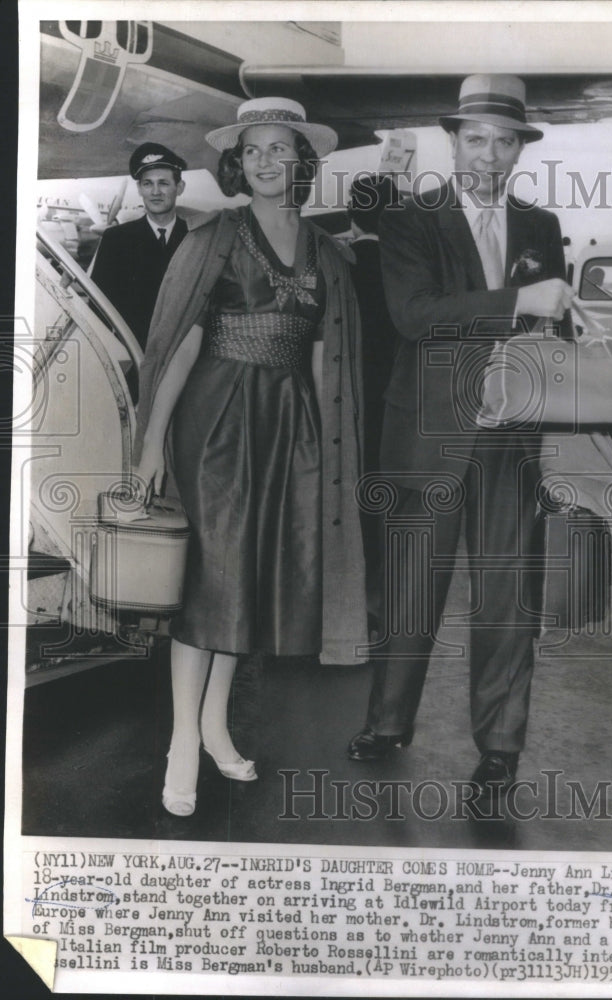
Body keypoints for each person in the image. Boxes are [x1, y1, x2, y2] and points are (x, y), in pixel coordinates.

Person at [133, 98, 367, 817]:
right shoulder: (215, 236)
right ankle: (180, 742)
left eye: (281, 149)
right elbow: (179, 346)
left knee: (251, 579)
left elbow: (329, 361)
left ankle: (214, 725)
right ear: (239, 162)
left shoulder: (329, 250)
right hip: (217, 421)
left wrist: (332, 458)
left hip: (290, 427)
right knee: (212, 581)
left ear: (302, 160)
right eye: (255, 150)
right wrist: (149, 445)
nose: (268, 161)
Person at [346, 75, 574, 804]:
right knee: (412, 590)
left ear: (518, 149)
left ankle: (500, 749)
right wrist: (518, 301)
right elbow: (413, 315)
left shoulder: (538, 227)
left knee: (507, 596)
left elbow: (553, 333)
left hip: (511, 439)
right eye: (475, 138)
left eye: (504, 140)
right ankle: (387, 724)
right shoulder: (411, 219)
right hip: (426, 435)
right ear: (453, 141)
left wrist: (547, 324)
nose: (489, 153)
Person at [347, 173, 401, 628]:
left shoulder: (340, 264)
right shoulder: (405, 271)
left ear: (351, 214)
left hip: (345, 400)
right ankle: (379, 599)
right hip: (393, 403)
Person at [91, 142, 188, 352]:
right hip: (134, 354)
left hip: (186, 357)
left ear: (179, 187)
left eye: (163, 183)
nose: (155, 192)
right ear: (139, 189)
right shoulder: (116, 240)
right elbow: (99, 307)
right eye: (147, 184)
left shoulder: (195, 238)